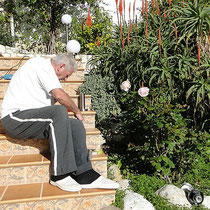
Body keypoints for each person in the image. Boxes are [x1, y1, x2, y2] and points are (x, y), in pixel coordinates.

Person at [1, 54, 119, 192]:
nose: (66, 79)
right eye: (67, 75)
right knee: (58, 112)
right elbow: (59, 95)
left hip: (34, 119)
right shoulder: (41, 65)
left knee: (74, 125)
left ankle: (84, 173)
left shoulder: (46, 74)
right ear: (60, 67)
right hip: (14, 118)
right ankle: (59, 175)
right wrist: (77, 111)